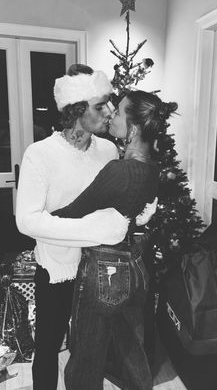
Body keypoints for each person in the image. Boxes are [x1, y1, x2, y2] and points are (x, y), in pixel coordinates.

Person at [51, 90, 178, 390]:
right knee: (132, 351)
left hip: (104, 272)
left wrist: (37, 217)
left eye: (118, 112)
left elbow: (72, 212)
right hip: (134, 269)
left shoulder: (119, 171)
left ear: (133, 129)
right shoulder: (151, 169)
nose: (111, 115)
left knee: (85, 358)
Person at [15, 64, 130, 390]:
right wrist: (95, 229)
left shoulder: (108, 150)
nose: (109, 111)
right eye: (100, 105)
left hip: (99, 270)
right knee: (49, 347)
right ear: (76, 109)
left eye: (109, 103)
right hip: (56, 272)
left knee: (91, 350)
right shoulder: (40, 154)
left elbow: (116, 202)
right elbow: (26, 220)